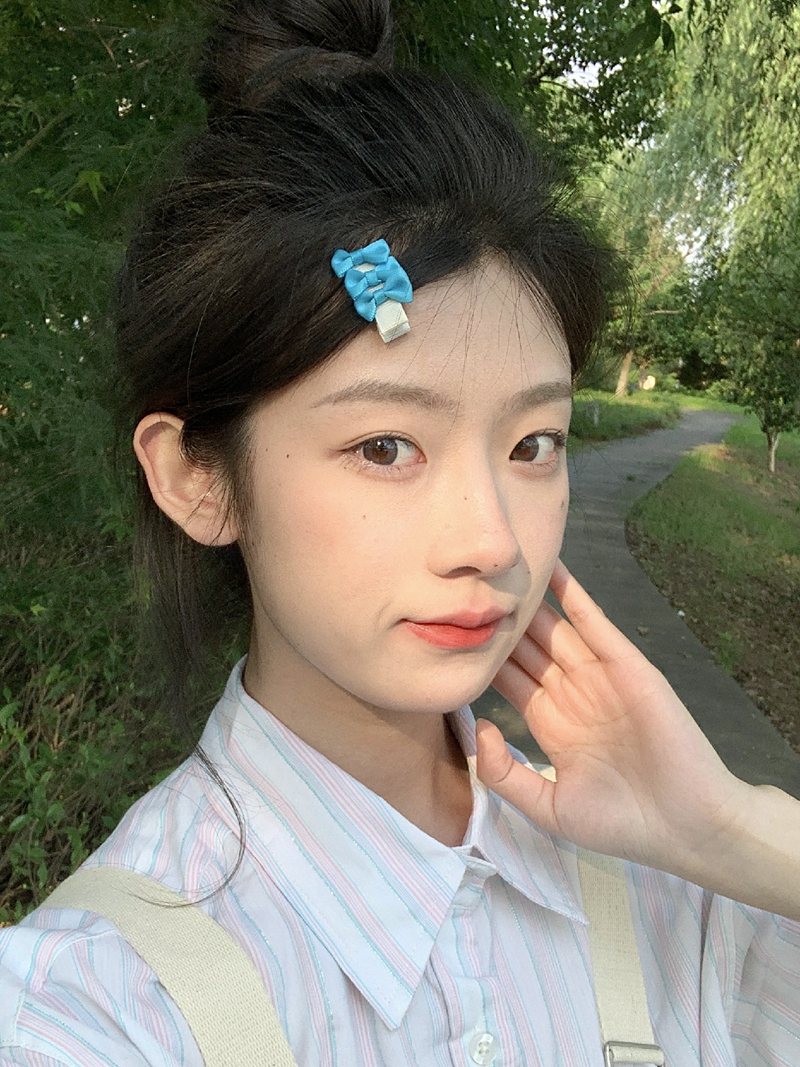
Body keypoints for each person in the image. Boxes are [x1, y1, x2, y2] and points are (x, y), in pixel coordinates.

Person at [1, 1, 799, 1064]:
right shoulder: (90, 1003)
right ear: (197, 478)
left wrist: (733, 831)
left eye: (533, 443)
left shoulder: (684, 889)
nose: (492, 541)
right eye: (385, 445)